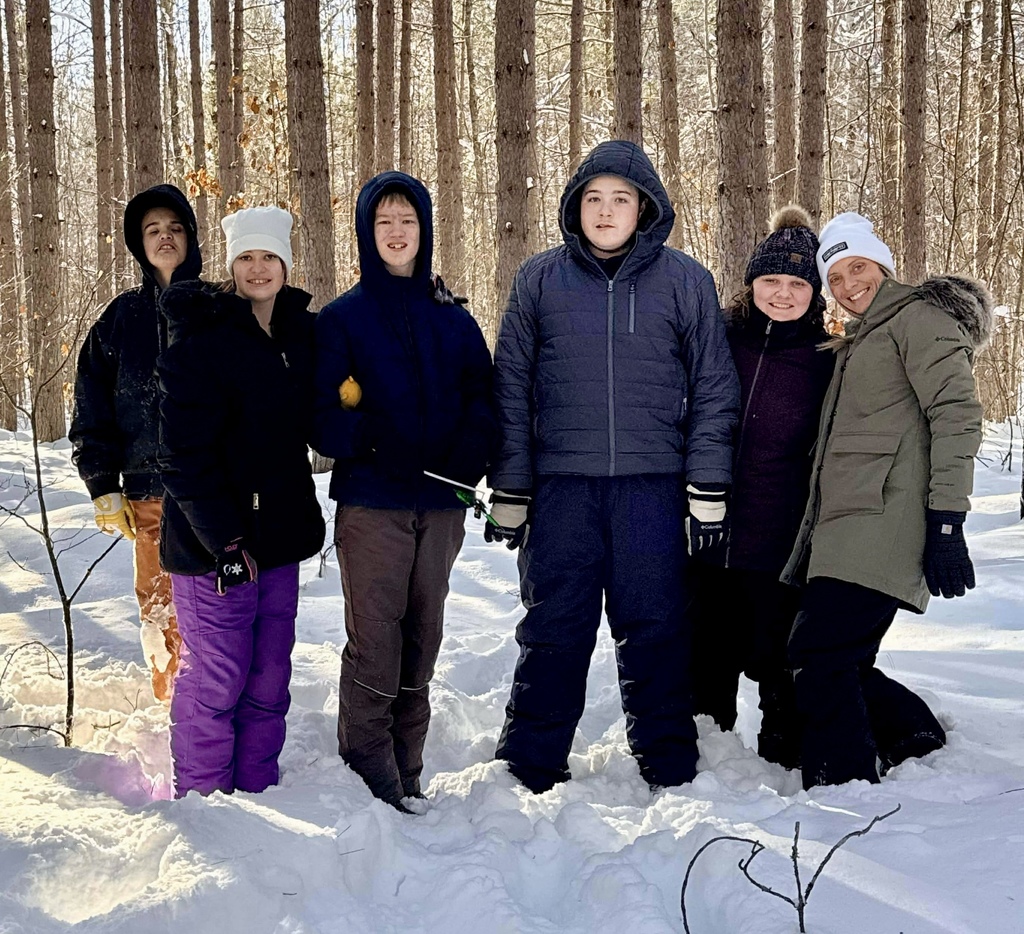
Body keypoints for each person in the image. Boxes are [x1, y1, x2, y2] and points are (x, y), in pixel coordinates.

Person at [487, 140, 740, 794]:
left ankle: (671, 769)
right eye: (594, 198)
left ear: (644, 208)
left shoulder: (686, 282)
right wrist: (512, 487)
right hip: (561, 491)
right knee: (553, 628)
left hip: (651, 490)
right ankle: (526, 770)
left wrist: (707, 487)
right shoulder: (538, 280)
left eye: (620, 199)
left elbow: (714, 384)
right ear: (575, 206)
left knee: (656, 626)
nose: (606, 211)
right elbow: (511, 387)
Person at [782, 212, 994, 789]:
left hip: (884, 519)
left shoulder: (917, 318)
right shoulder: (864, 335)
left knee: (817, 654)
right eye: (838, 279)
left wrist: (947, 520)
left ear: (882, 262)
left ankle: (841, 783)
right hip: (851, 522)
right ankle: (911, 735)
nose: (851, 285)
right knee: (840, 656)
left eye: (858, 268)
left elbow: (957, 416)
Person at [312, 171, 496, 812]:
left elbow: (484, 395)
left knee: (425, 631)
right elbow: (320, 414)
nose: (396, 232)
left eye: (407, 220)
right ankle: (367, 767)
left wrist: (471, 453)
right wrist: (371, 440)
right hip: (372, 504)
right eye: (384, 221)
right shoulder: (341, 320)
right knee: (377, 636)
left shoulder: (453, 317)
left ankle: (407, 765)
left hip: (441, 505)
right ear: (367, 232)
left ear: (425, 231)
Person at [157, 206, 326, 797]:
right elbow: (180, 455)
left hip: (277, 538)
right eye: (246, 258)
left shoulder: (299, 336)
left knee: (269, 675)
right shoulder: (201, 339)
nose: (258, 268)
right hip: (215, 547)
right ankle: (204, 804)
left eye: (269, 257)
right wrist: (224, 541)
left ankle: (257, 792)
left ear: (285, 264)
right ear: (230, 266)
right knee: (218, 678)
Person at [690, 206, 834, 769]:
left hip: (780, 535)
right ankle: (709, 763)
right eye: (771, 280)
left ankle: (783, 763)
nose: (782, 293)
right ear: (750, 285)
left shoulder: (826, 359)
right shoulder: (721, 339)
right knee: (707, 655)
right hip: (708, 529)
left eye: (797, 283)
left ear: (814, 292)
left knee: (776, 658)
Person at [70, 184, 201, 703]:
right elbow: (91, 405)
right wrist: (102, 482)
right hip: (148, 494)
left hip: (212, 493)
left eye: (174, 228)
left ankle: (209, 711)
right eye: (153, 230)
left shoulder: (215, 307)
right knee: (160, 612)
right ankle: (171, 708)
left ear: (190, 236)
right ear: (138, 243)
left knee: (213, 611)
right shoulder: (120, 320)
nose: (164, 237)